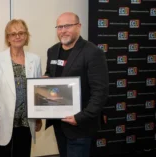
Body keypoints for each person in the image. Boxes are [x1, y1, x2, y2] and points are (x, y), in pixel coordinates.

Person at [44, 12, 109, 157]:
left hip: (81, 126)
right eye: (59, 27)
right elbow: (50, 73)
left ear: (79, 27)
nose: (63, 30)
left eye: (67, 26)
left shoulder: (92, 52)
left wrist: (80, 118)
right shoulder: (53, 51)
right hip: (59, 123)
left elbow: (100, 92)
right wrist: (46, 79)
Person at [0, 19, 42, 157]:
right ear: (8, 38)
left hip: (26, 122)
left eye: (21, 33)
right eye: (13, 34)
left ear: (26, 36)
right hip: (2, 121)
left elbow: (38, 91)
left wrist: (39, 117)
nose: (18, 36)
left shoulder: (35, 60)